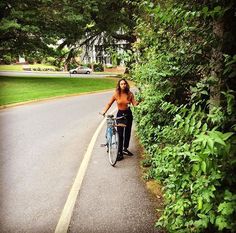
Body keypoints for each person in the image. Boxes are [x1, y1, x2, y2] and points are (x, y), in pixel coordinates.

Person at [101, 78, 138, 161]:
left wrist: (139, 103)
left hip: (128, 114)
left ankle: (125, 148)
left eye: (124, 83)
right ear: (119, 85)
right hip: (120, 114)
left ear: (126, 85)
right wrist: (104, 111)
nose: (123, 85)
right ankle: (120, 152)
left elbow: (134, 103)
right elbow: (109, 104)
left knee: (127, 132)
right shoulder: (116, 94)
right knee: (120, 134)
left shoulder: (130, 94)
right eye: (121, 84)